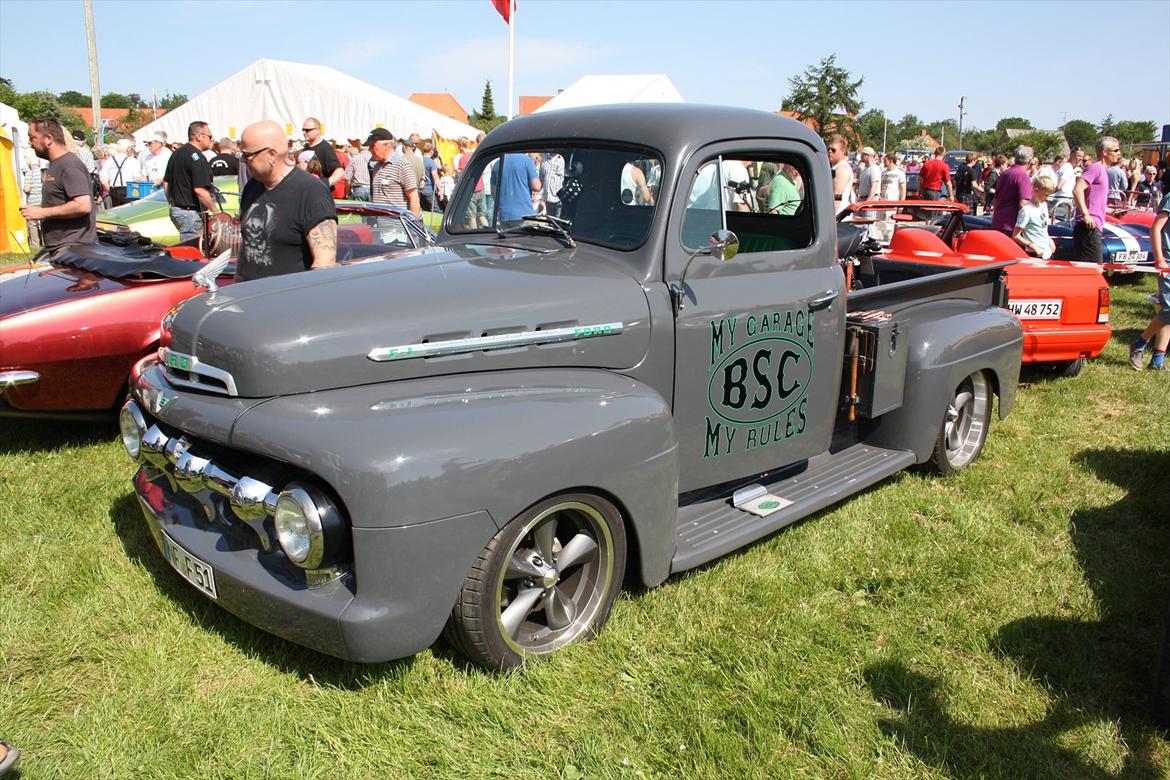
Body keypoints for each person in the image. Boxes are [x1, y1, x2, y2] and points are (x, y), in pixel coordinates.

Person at [233, 120, 338, 282]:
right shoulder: (252, 187)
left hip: (288, 300)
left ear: (271, 154)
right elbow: (246, 247)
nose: (243, 161)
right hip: (249, 298)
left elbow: (325, 262)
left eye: (248, 155)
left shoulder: (310, 191)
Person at [19, 116, 96, 249]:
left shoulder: (69, 165)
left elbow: (83, 205)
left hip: (75, 249)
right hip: (62, 247)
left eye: (32, 137)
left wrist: (42, 213)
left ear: (48, 139)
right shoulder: (56, 164)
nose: (30, 143)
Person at [1128, 191, 1170, 370]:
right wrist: (1160, 258)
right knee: (1169, 309)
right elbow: (1156, 228)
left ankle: (1157, 360)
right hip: (1167, 260)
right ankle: (1139, 343)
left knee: (1168, 313)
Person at [163, 121, 222, 240]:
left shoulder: (177, 153)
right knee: (192, 252)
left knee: (189, 248)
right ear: (199, 136)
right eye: (210, 137)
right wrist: (216, 211)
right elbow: (200, 189)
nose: (211, 140)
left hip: (177, 210)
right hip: (190, 213)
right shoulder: (197, 157)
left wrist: (172, 202)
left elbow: (166, 182)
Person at [1072, 136, 1121, 261]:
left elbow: (1094, 200)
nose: (1119, 154)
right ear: (1105, 152)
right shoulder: (1096, 168)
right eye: (1115, 150)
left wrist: (1110, 211)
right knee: (1093, 271)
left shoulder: (1103, 171)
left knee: (1090, 272)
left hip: (1093, 227)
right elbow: (1077, 190)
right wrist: (1086, 215)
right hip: (1088, 228)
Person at [367, 128, 420, 215]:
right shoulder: (376, 166)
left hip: (397, 226)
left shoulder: (402, 165)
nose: (370, 150)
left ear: (386, 146)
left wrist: (413, 223)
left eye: (373, 146)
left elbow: (414, 198)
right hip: (379, 226)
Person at [991, 146, 1034, 234]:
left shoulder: (1004, 174)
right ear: (1029, 161)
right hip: (1011, 225)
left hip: (998, 221)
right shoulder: (1023, 175)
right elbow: (1023, 203)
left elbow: (996, 198)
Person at [1012, 175, 1056, 259]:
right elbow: (1016, 236)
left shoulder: (1043, 206)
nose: (1047, 198)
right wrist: (1032, 246)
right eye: (1046, 195)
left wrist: (1049, 240)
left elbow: (1043, 228)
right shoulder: (1026, 211)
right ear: (1036, 190)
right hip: (1035, 254)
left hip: (1047, 252)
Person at [495, 152, 541, 224]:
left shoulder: (498, 163)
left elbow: (494, 192)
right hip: (524, 213)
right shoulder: (527, 161)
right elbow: (537, 186)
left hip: (504, 214)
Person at [300, 117, 344, 190]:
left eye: (307, 130)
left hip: (319, 194)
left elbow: (339, 171)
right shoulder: (306, 147)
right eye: (303, 130)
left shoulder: (325, 148)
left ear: (317, 130)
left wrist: (325, 184)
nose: (304, 132)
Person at [100, 138, 141, 207]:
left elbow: (103, 180)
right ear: (128, 149)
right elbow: (137, 179)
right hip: (129, 191)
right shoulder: (132, 161)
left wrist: (110, 190)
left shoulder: (109, 161)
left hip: (113, 190)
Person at [828, 135, 853, 213]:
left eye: (833, 150)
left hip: (838, 217)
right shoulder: (835, 167)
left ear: (842, 151)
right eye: (828, 149)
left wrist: (831, 219)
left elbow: (837, 196)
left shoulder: (842, 169)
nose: (829, 151)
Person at [540, 151, 565, 217]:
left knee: (556, 223)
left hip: (557, 200)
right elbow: (541, 177)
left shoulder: (561, 159)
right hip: (545, 199)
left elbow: (562, 180)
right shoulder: (544, 158)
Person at [419, 140, 440, 212]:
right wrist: (440, 189)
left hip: (420, 190)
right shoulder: (431, 162)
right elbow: (435, 177)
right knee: (436, 210)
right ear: (431, 151)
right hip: (429, 190)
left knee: (424, 211)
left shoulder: (419, 160)